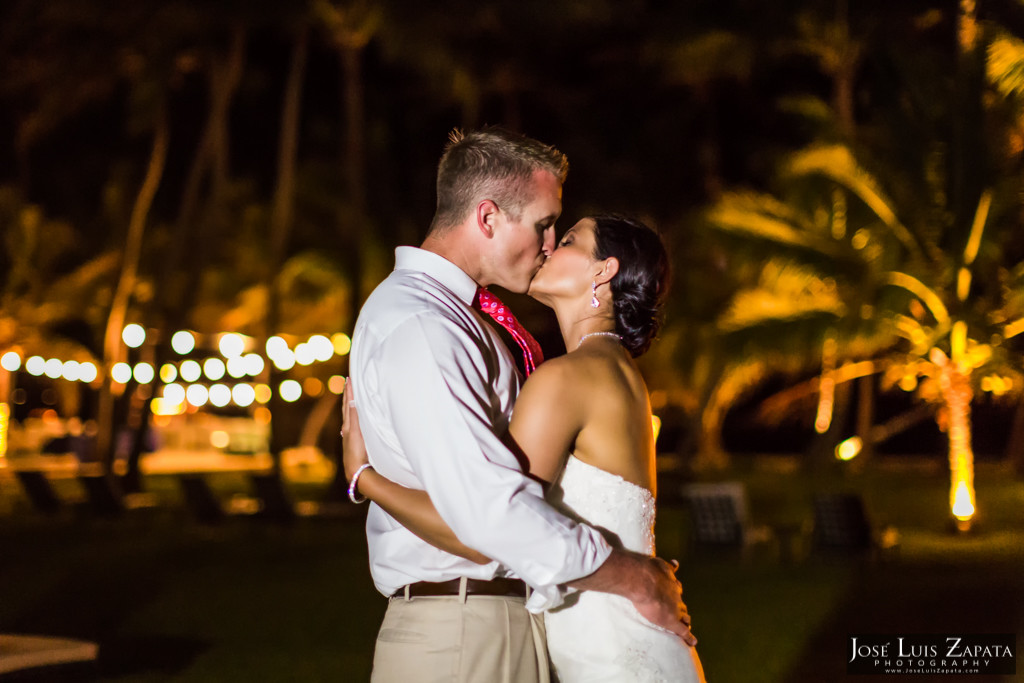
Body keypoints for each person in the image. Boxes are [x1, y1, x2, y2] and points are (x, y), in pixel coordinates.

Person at [344, 127, 696, 683]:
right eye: (544, 224)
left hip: (521, 625)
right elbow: (485, 514)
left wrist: (365, 478)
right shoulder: (426, 324)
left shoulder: (540, 357)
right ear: (487, 218)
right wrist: (629, 574)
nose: (549, 243)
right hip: (468, 629)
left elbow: (487, 509)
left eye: (563, 234)